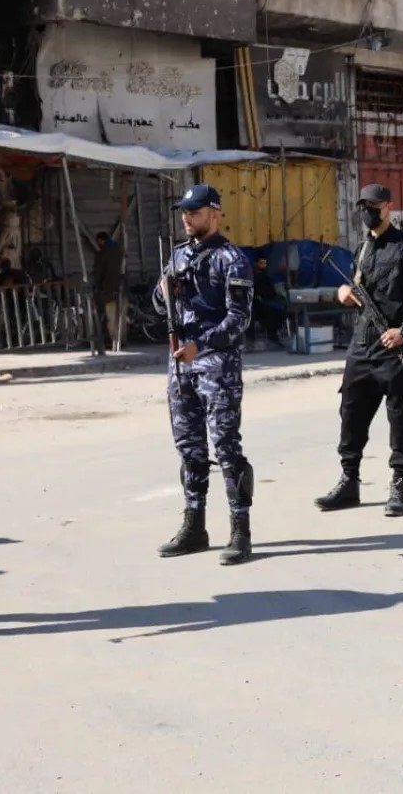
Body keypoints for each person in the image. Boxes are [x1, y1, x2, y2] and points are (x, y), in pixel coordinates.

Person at [317, 184, 403, 517]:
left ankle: (399, 482)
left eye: (372, 205)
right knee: (351, 411)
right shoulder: (361, 249)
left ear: (388, 206)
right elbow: (356, 289)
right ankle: (349, 479)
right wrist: (344, 292)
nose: (366, 211)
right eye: (362, 205)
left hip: (398, 347)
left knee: (401, 414)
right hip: (363, 343)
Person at [152, 184, 256, 564]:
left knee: (227, 448)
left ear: (214, 213)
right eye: (184, 211)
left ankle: (240, 530)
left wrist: (204, 344)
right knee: (190, 450)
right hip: (181, 367)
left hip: (218, 368)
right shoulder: (176, 257)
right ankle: (194, 526)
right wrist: (166, 290)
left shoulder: (232, 260)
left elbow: (239, 319)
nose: (186, 217)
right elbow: (156, 302)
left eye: (194, 211)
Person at [92, 231, 124, 349]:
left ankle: (114, 340)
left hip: (109, 289)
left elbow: (99, 272)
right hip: (121, 286)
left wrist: (95, 285)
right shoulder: (119, 249)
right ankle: (122, 338)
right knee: (120, 315)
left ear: (101, 240)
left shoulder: (104, 253)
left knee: (110, 316)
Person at [250, 255, 289, 347]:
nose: (263, 265)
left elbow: (270, 291)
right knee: (271, 312)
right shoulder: (252, 276)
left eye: (264, 263)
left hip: (268, 301)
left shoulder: (265, 275)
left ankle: (273, 337)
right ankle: (269, 337)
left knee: (278, 310)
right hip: (256, 303)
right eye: (261, 263)